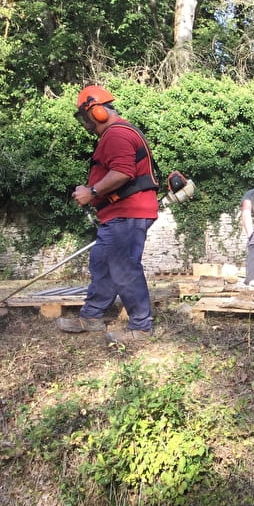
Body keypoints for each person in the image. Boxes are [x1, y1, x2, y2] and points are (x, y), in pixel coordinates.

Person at [56, 85, 159, 342]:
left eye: (85, 116)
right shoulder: (114, 135)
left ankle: (141, 327)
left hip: (127, 213)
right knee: (101, 263)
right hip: (117, 215)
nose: (85, 123)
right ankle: (92, 316)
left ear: (98, 112)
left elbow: (124, 172)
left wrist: (91, 191)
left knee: (124, 268)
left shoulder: (117, 135)